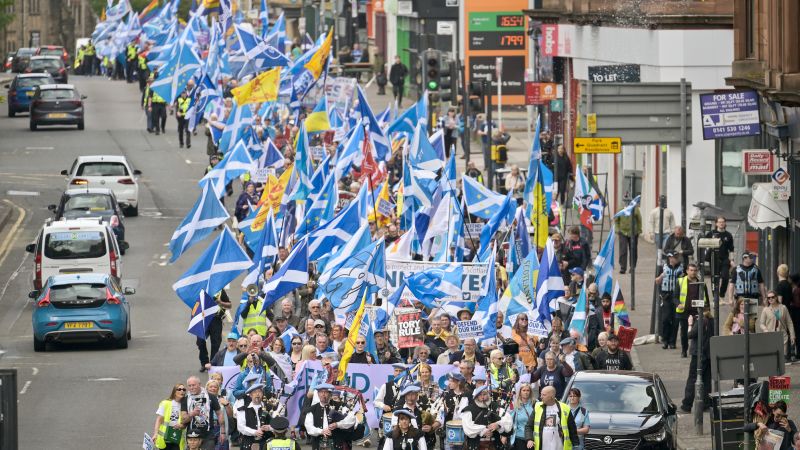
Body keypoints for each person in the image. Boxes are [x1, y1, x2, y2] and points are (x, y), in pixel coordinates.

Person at [679, 306, 715, 413]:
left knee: (693, 379)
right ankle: (706, 404)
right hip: (708, 354)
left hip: (698, 354)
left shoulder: (700, 321)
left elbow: (690, 335)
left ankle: (686, 405)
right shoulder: (712, 320)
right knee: (706, 379)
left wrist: (690, 324)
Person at [524, 386, 579, 450]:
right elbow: (528, 426)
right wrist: (529, 439)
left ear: (552, 396)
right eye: (541, 394)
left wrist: (576, 444)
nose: (541, 397)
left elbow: (572, 428)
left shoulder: (565, 408)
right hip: (542, 447)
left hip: (560, 447)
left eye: (544, 395)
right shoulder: (537, 407)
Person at [305, 383, 356, 450]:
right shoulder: (312, 409)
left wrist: (337, 424)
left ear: (330, 394)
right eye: (321, 392)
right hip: (318, 446)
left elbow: (352, 419)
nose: (323, 394)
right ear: (318, 394)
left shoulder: (341, 406)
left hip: (337, 445)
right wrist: (321, 431)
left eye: (326, 392)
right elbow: (309, 428)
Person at [181, 376, 226, 450]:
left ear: (199, 384)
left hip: (208, 435)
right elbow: (183, 419)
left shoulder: (210, 397)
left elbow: (219, 413)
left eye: (194, 385)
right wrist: (192, 414)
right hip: (192, 436)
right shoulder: (186, 399)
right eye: (190, 386)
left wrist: (223, 432)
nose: (192, 387)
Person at [462, 386, 512, 450]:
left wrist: (498, 425)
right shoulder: (470, 409)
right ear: (476, 397)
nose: (482, 397)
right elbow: (468, 428)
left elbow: (508, 423)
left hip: (494, 445)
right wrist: (483, 430)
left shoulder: (496, 407)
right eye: (480, 395)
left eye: (484, 394)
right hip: (476, 445)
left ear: (488, 395)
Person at [675, 263, 707, 358]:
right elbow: (675, 297)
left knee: (697, 332)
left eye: (695, 270)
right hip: (683, 312)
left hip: (697, 312)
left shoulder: (701, 283)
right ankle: (684, 350)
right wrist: (678, 304)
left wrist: (707, 309)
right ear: (687, 271)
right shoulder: (680, 281)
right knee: (684, 333)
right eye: (691, 270)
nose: (693, 272)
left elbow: (706, 298)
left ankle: (696, 350)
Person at [655, 252, 683, 349]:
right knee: (666, 319)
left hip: (677, 296)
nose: (672, 259)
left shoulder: (681, 268)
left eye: (674, 257)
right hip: (666, 296)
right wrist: (661, 276)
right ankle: (665, 340)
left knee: (675, 320)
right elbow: (657, 281)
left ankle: (672, 342)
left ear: (677, 258)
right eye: (670, 257)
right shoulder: (663, 267)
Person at [197, 291, 231, 372]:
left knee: (215, 343)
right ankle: (204, 363)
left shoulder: (220, 291)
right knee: (200, 341)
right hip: (203, 319)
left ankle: (212, 364)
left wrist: (220, 303)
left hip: (216, 320)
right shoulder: (201, 289)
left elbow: (229, 305)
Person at [759, 290, 796, 357]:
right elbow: (761, 323)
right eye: (768, 298)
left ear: (776, 297)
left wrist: (792, 335)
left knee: (782, 358)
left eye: (772, 297)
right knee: (772, 357)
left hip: (783, 336)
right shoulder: (765, 309)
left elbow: (789, 322)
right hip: (770, 336)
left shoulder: (783, 308)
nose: (770, 299)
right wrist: (765, 329)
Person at [705, 216, 735, 297]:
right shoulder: (711, 233)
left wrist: (732, 260)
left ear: (725, 223)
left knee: (725, 277)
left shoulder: (728, 235)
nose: (721, 223)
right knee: (714, 279)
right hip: (713, 258)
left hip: (725, 259)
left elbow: (731, 249)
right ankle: (715, 297)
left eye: (723, 222)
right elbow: (704, 244)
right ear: (716, 223)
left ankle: (721, 295)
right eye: (719, 222)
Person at [236, 382, 271, 449]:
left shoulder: (269, 407)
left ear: (262, 394)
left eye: (259, 391)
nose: (257, 394)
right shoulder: (243, 410)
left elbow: (275, 424)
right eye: (254, 392)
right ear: (250, 395)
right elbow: (240, 427)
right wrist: (254, 432)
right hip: (248, 443)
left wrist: (269, 427)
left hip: (266, 442)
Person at [154, 383, 188, 450]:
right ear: (175, 392)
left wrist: (182, 425)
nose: (182, 391)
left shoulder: (185, 405)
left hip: (177, 437)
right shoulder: (165, 403)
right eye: (179, 389)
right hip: (164, 437)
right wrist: (155, 434)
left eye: (184, 389)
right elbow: (159, 420)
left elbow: (187, 420)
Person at [614, 199, 642, 275]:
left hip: (633, 232)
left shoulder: (635, 209)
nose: (627, 203)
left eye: (628, 202)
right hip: (623, 232)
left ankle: (632, 267)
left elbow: (639, 220)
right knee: (623, 250)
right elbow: (616, 220)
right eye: (625, 201)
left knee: (633, 250)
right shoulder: (620, 209)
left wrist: (639, 230)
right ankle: (623, 267)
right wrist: (617, 229)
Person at [510, 383, 534, 450]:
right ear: (520, 392)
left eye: (528, 390)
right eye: (524, 390)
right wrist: (504, 435)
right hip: (519, 438)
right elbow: (509, 422)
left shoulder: (535, 404)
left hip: (533, 438)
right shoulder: (515, 405)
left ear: (530, 392)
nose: (526, 392)